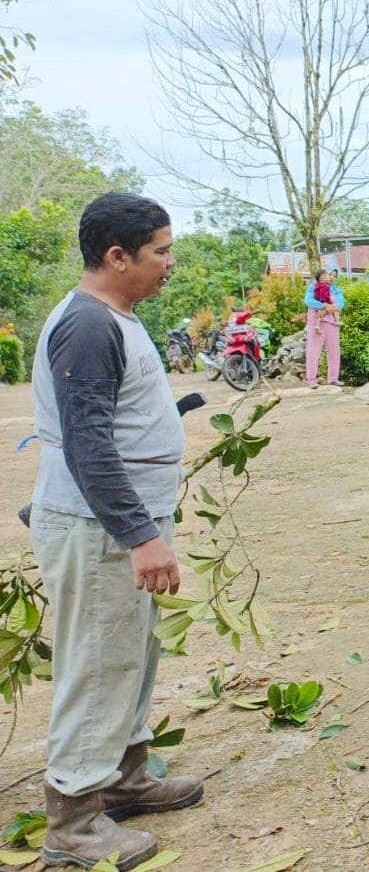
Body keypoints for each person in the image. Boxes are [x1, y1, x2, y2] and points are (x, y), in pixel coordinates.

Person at [29, 193, 206, 869]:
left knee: (130, 656)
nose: (169, 263)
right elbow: (89, 445)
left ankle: (124, 779)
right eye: (161, 251)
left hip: (121, 523)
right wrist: (139, 534)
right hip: (98, 526)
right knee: (99, 662)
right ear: (117, 256)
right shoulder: (87, 327)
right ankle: (73, 823)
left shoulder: (116, 319)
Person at [303, 269, 345, 389]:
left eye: (334, 276)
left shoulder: (336, 290)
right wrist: (324, 306)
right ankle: (312, 380)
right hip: (316, 324)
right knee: (313, 352)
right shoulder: (313, 287)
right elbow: (308, 301)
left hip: (332, 324)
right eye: (329, 274)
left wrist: (334, 307)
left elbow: (341, 303)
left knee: (334, 352)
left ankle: (333, 379)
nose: (331, 277)